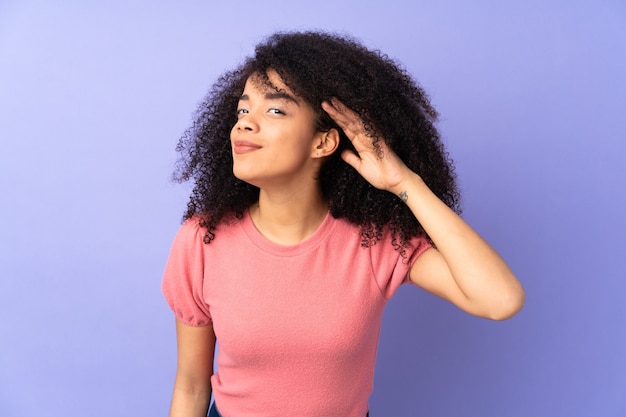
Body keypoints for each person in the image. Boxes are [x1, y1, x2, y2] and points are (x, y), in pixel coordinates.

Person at [161, 31, 525, 417]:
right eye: (242, 111)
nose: (245, 124)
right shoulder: (203, 240)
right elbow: (191, 385)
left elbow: (500, 300)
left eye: (275, 110)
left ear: (324, 142)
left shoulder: (374, 242)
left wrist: (405, 183)